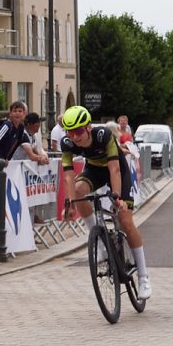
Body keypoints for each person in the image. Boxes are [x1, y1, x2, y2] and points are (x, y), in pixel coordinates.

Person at [58, 105, 152, 299]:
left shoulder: (104, 135)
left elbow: (114, 170)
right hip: (94, 170)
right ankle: (99, 241)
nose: (74, 137)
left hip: (117, 170)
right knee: (79, 191)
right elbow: (68, 175)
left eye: (78, 131)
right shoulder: (67, 143)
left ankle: (143, 277)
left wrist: (117, 197)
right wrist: (70, 203)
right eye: (70, 132)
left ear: (88, 127)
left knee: (125, 221)